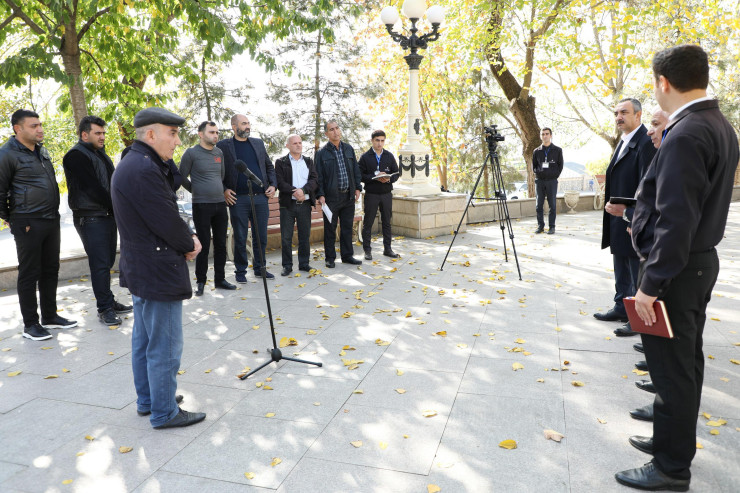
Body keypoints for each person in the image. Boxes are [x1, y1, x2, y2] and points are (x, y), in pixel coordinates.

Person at [615, 45, 739, 492]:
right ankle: (671, 442)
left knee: (670, 371)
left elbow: (677, 220)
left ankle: (671, 468)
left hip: (678, 271)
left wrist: (649, 285)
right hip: (698, 264)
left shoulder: (687, 133)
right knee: (685, 364)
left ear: (663, 82)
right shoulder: (718, 124)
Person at [111, 107, 205, 429]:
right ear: (151, 135)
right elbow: (166, 219)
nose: (177, 141)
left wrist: (168, 163)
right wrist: (190, 242)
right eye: (172, 134)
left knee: (145, 338)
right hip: (156, 267)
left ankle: (151, 399)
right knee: (164, 344)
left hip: (143, 265)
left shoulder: (140, 162)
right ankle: (164, 412)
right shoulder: (142, 169)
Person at [0, 109, 77, 341]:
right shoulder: (7, 154)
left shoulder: (40, 151)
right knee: (29, 272)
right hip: (27, 221)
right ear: (18, 128)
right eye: (34, 126)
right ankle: (30, 324)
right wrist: (12, 218)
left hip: (50, 219)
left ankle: (50, 316)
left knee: (50, 269)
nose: (40, 129)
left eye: (40, 124)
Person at [594, 98, 656, 337]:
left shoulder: (645, 142)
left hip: (632, 217)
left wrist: (634, 216)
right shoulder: (624, 141)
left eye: (624, 112)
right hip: (618, 217)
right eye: (617, 113)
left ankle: (636, 318)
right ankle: (621, 307)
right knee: (620, 261)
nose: (619, 117)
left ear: (638, 116)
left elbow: (647, 186)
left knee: (634, 268)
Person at [63, 116, 132, 326]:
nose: (102, 137)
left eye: (103, 133)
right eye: (98, 133)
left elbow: (111, 182)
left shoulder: (99, 154)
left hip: (106, 216)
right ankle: (104, 309)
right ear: (85, 134)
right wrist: (117, 206)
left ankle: (109, 301)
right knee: (100, 264)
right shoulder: (75, 156)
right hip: (90, 217)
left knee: (107, 261)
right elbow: (92, 189)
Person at [179, 121, 236, 296]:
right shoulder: (191, 153)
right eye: (211, 132)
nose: (215, 135)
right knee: (203, 243)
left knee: (220, 243)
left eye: (217, 132)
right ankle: (201, 282)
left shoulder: (219, 152)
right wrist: (196, 190)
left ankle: (220, 279)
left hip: (220, 204)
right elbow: (181, 177)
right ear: (201, 134)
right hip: (201, 205)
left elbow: (221, 176)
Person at [218, 114, 277, 281]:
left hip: (260, 197)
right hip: (238, 199)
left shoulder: (258, 143)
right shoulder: (223, 146)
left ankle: (260, 268)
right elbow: (217, 171)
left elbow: (269, 166)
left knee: (261, 236)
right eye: (244, 124)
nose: (247, 126)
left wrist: (273, 185)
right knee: (241, 236)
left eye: (248, 123)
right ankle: (241, 272)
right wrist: (224, 190)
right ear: (234, 127)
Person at [315, 120, 363, 268]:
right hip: (330, 198)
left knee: (347, 227)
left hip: (348, 195)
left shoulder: (348, 149)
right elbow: (318, 176)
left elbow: (355, 170)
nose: (335, 131)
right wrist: (320, 194)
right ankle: (330, 258)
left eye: (337, 128)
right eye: (331, 129)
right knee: (330, 229)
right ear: (326, 134)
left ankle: (347, 256)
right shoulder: (321, 153)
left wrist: (357, 188)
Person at [274, 134, 318, 276]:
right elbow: (280, 182)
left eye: (300, 143)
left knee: (304, 236)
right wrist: (295, 191)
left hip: (304, 204)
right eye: (294, 143)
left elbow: (314, 179)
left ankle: (304, 263)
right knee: (286, 237)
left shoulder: (308, 161)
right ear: (287, 146)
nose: (298, 145)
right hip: (288, 204)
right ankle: (287, 265)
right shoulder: (281, 162)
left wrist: (303, 191)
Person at [358, 129, 400, 260]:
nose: (380, 143)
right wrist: (375, 176)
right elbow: (360, 175)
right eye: (377, 140)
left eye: (382, 141)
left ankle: (388, 249)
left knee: (387, 222)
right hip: (372, 194)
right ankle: (367, 250)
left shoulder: (389, 155)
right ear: (372, 141)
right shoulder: (365, 157)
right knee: (368, 223)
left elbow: (397, 173)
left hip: (387, 194)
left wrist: (389, 179)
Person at [531, 127, 563, 234]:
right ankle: (540, 226)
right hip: (539, 181)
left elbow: (560, 165)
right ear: (541, 136)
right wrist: (538, 173)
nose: (545, 136)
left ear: (551, 135)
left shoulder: (558, 150)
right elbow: (534, 166)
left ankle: (552, 227)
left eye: (547, 134)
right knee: (538, 205)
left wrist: (554, 175)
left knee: (552, 205)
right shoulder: (536, 151)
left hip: (552, 181)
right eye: (543, 134)